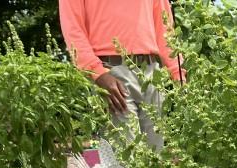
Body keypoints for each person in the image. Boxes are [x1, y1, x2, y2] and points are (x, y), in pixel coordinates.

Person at [58, 0, 184, 151]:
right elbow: (73, 29)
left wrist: (179, 75)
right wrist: (97, 73)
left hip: (152, 73)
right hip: (111, 74)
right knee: (125, 158)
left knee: (157, 156)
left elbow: (164, 27)